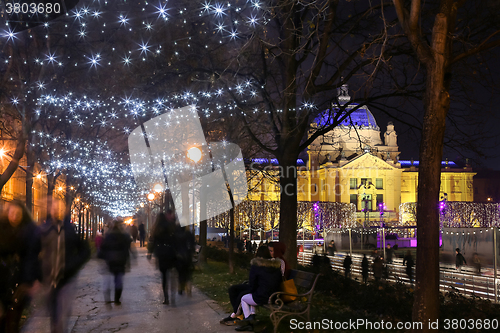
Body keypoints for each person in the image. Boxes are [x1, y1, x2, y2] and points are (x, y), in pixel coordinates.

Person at [40, 200, 90, 333]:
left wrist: (73, 265)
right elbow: (35, 250)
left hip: (67, 278)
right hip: (49, 278)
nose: (56, 211)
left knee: (62, 315)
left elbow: (85, 250)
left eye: (59, 209)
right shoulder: (44, 229)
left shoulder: (70, 229)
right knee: (53, 313)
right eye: (54, 208)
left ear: (63, 211)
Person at [0, 201, 41, 333]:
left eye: (18, 213)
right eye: (12, 213)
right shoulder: (2, 230)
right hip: (2, 282)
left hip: (20, 283)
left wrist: (31, 281)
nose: (15, 216)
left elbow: (33, 259)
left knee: (13, 322)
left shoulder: (30, 234)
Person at [235, 246, 282, 332]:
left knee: (244, 298)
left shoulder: (256, 266)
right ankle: (251, 316)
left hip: (263, 296)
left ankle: (249, 321)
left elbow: (252, 283)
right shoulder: (276, 266)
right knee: (252, 297)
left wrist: (252, 290)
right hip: (275, 297)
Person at [99, 221, 132, 305]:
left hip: (110, 260)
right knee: (118, 280)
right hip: (120, 261)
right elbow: (127, 249)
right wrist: (128, 261)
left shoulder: (108, 236)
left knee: (108, 280)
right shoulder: (124, 236)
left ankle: (107, 298)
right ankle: (117, 299)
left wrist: (102, 258)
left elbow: (103, 248)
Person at [148, 211, 177, 305]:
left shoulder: (156, 229)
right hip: (170, 252)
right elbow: (174, 239)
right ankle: (173, 296)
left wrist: (150, 252)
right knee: (172, 274)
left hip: (161, 253)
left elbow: (153, 241)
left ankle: (166, 298)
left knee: (164, 276)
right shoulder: (170, 226)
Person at [175, 225, 195, 296]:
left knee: (180, 273)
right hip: (187, 256)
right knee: (187, 272)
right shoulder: (189, 233)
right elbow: (193, 245)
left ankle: (181, 287)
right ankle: (188, 286)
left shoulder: (176, 234)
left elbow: (174, 246)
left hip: (179, 257)